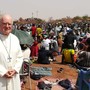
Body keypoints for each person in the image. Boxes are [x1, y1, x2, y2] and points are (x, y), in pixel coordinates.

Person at [0, 14, 23, 90]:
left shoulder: (15, 39)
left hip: (14, 77)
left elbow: (20, 57)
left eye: (9, 24)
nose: (7, 26)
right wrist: (3, 71)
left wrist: (15, 69)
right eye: (4, 23)